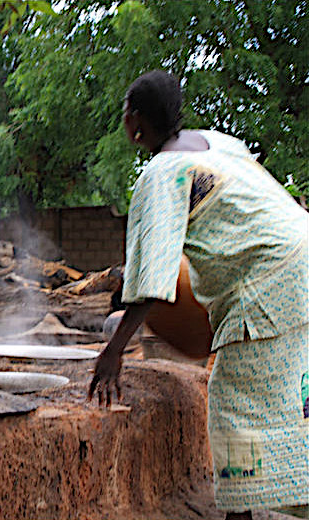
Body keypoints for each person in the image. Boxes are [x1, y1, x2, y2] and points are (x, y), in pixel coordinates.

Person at [88, 70, 308, 519]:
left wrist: (113, 351)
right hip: (301, 256)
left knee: (232, 408)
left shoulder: (162, 173)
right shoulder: (213, 142)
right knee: (292, 395)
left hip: (268, 282)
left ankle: (239, 514)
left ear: (134, 122)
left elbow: (151, 277)